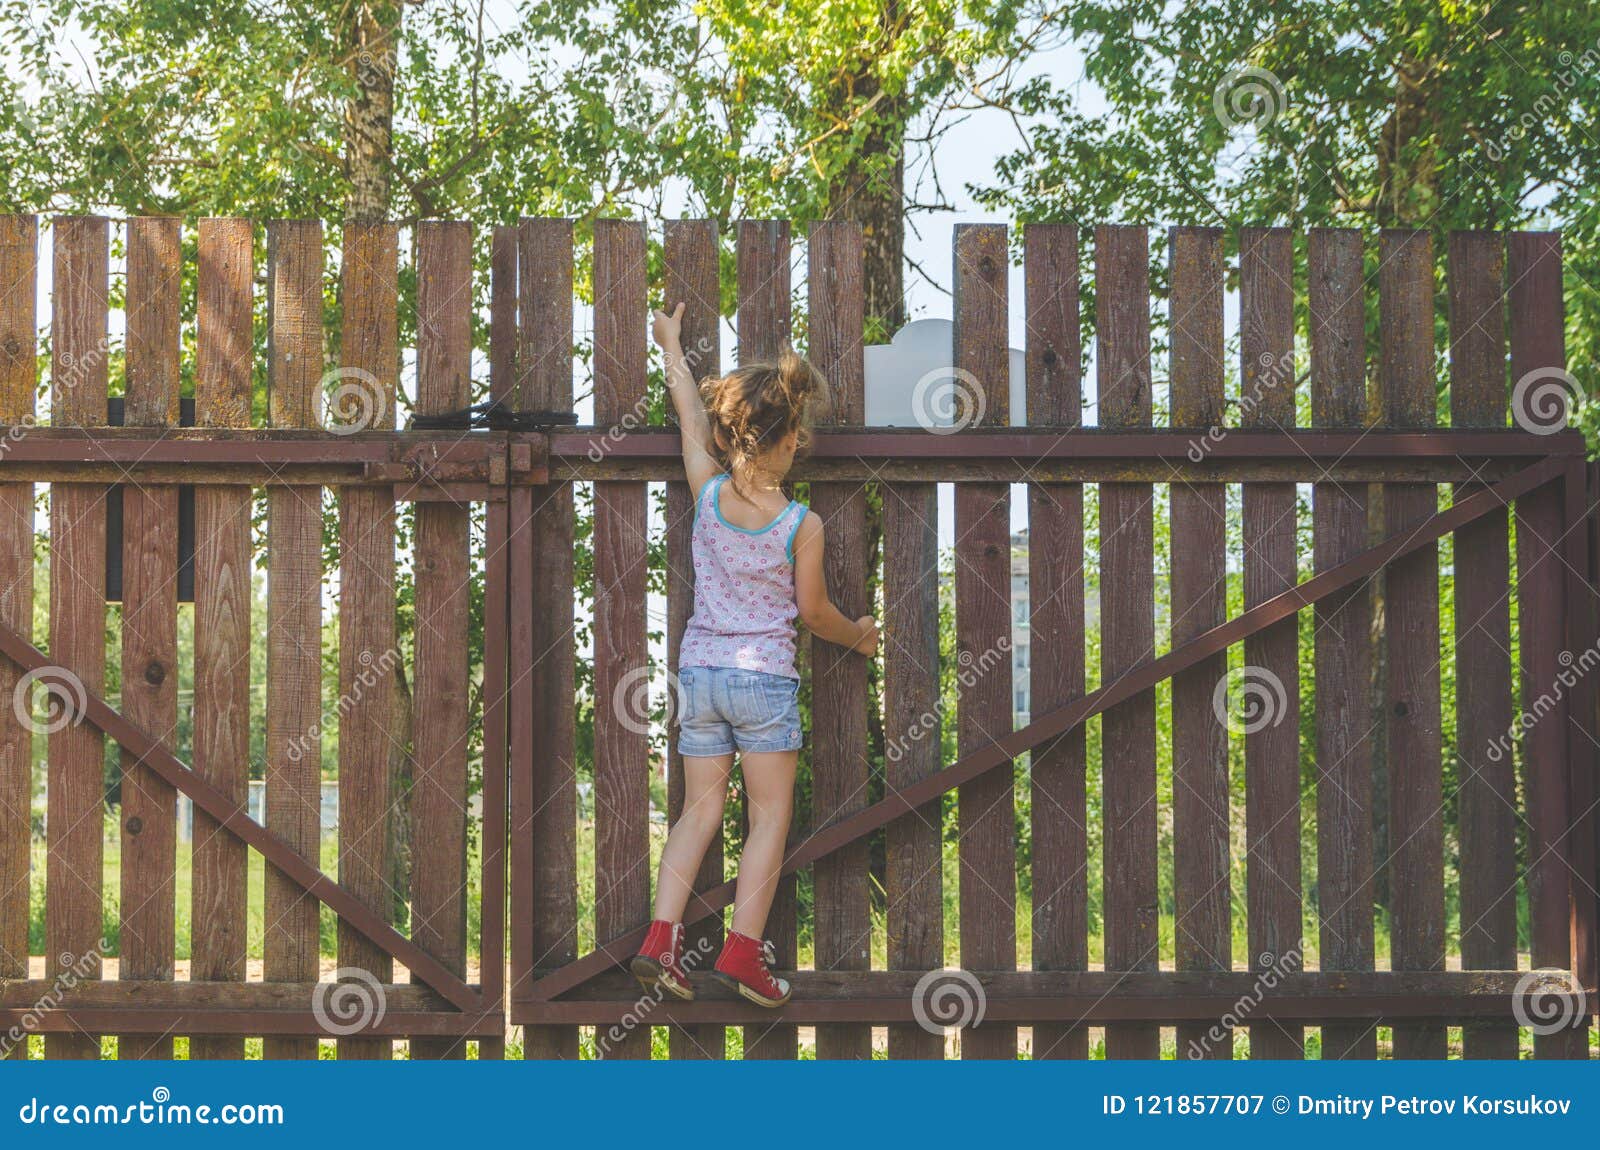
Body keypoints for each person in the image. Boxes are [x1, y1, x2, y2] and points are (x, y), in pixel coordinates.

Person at [632, 302, 879, 1008]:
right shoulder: (802, 524)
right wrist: (860, 636)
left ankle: (660, 943)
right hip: (763, 682)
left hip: (700, 675)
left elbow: (686, 411)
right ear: (791, 440)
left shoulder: (705, 495)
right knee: (769, 818)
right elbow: (814, 613)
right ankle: (743, 955)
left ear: (733, 432)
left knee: (698, 814)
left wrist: (672, 345)